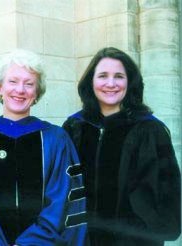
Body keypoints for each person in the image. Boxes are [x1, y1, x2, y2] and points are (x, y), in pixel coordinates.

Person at [0, 49, 87, 245]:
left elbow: (62, 202)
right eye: (13, 81)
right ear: (0, 88)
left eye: (29, 83)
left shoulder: (56, 138)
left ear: (36, 93)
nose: (20, 89)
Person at [62, 47, 181, 246]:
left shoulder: (150, 130)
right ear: (91, 82)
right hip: (82, 240)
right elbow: (61, 186)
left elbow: (168, 189)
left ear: (129, 82)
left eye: (119, 76)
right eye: (102, 76)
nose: (111, 83)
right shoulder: (75, 127)